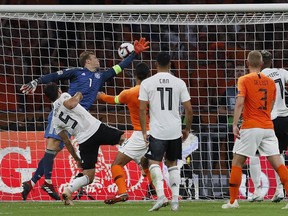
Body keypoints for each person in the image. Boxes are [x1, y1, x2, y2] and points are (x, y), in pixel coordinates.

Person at [19, 37, 150, 200]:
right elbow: (55, 75)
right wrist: (37, 81)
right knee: (52, 147)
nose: (98, 59)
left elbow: (119, 67)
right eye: (95, 57)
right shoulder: (76, 72)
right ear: (88, 61)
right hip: (65, 111)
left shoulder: (101, 76)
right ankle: (45, 181)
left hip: (80, 120)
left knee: (56, 150)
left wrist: (134, 54)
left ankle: (32, 183)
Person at [222, 51, 288, 210]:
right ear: (262, 63)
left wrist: (235, 124)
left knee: (237, 162)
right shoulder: (270, 81)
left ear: (247, 62)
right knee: (279, 163)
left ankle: (232, 201)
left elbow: (239, 103)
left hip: (251, 126)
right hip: (268, 126)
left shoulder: (244, 79)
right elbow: (271, 103)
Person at [43, 82, 125, 206]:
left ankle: (68, 189)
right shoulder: (64, 96)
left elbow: (67, 142)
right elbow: (71, 104)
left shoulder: (54, 120)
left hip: (84, 141)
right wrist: (78, 95)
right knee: (122, 138)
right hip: (96, 129)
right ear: (59, 91)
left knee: (89, 176)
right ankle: (141, 164)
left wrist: (77, 159)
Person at [139, 52, 193, 212]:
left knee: (153, 163)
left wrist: (143, 131)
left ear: (156, 65)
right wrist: (187, 129)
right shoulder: (179, 82)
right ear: (170, 65)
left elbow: (142, 109)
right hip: (175, 130)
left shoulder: (147, 83)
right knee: (173, 164)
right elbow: (189, 110)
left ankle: (161, 196)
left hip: (157, 130)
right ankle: (175, 201)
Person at [97, 62, 151, 204]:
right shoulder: (154, 92)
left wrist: (101, 96)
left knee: (116, 164)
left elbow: (113, 100)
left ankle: (122, 193)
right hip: (157, 133)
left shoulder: (129, 93)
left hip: (141, 134)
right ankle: (160, 194)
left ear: (135, 75)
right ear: (149, 75)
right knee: (146, 165)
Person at [261, 50, 288, 202]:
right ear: (271, 61)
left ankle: (279, 189)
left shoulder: (260, 77)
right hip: (286, 117)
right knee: (281, 154)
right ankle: (279, 190)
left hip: (272, 119)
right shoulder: (281, 72)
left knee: (276, 155)